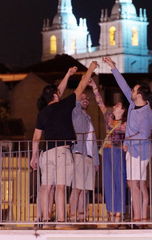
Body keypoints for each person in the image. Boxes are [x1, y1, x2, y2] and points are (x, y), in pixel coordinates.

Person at [30, 61, 98, 225]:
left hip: (46, 154)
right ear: (55, 95)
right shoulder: (65, 105)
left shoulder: (42, 113)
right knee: (60, 186)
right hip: (62, 152)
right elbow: (82, 85)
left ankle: (46, 219)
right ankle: (61, 220)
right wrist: (91, 69)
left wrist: (34, 156)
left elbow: (36, 138)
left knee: (46, 187)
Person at [103, 57, 152, 224]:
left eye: (133, 90)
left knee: (133, 184)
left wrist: (127, 140)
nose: (130, 91)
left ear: (139, 95)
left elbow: (144, 134)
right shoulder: (133, 104)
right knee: (140, 184)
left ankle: (138, 218)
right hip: (136, 149)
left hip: (138, 151)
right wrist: (113, 67)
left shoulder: (145, 113)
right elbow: (123, 85)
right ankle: (142, 217)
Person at [88, 78, 128, 226]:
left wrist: (127, 145)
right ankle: (111, 212)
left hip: (118, 152)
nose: (114, 105)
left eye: (117, 105)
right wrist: (94, 87)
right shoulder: (109, 118)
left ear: (122, 110)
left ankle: (119, 213)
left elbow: (132, 135)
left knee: (120, 181)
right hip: (106, 152)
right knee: (108, 182)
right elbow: (100, 104)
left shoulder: (126, 123)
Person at [68, 92, 99, 223]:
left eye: (87, 98)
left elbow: (93, 140)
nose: (85, 100)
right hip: (78, 153)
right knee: (77, 188)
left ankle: (82, 217)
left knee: (85, 189)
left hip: (89, 156)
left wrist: (96, 161)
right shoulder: (76, 114)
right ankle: (72, 217)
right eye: (82, 98)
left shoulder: (89, 118)